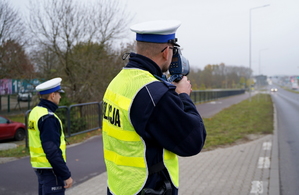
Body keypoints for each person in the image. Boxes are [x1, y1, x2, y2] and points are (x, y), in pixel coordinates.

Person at [102, 20, 206, 195]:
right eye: (173, 49)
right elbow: (193, 141)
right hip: (148, 188)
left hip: (119, 188)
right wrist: (183, 96)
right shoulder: (154, 94)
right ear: (166, 52)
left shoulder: (118, 81)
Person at [28, 77, 73, 195]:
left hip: (40, 168)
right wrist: (66, 175)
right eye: (59, 94)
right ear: (52, 95)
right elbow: (52, 151)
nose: (60, 97)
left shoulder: (35, 112)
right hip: (51, 170)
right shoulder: (48, 118)